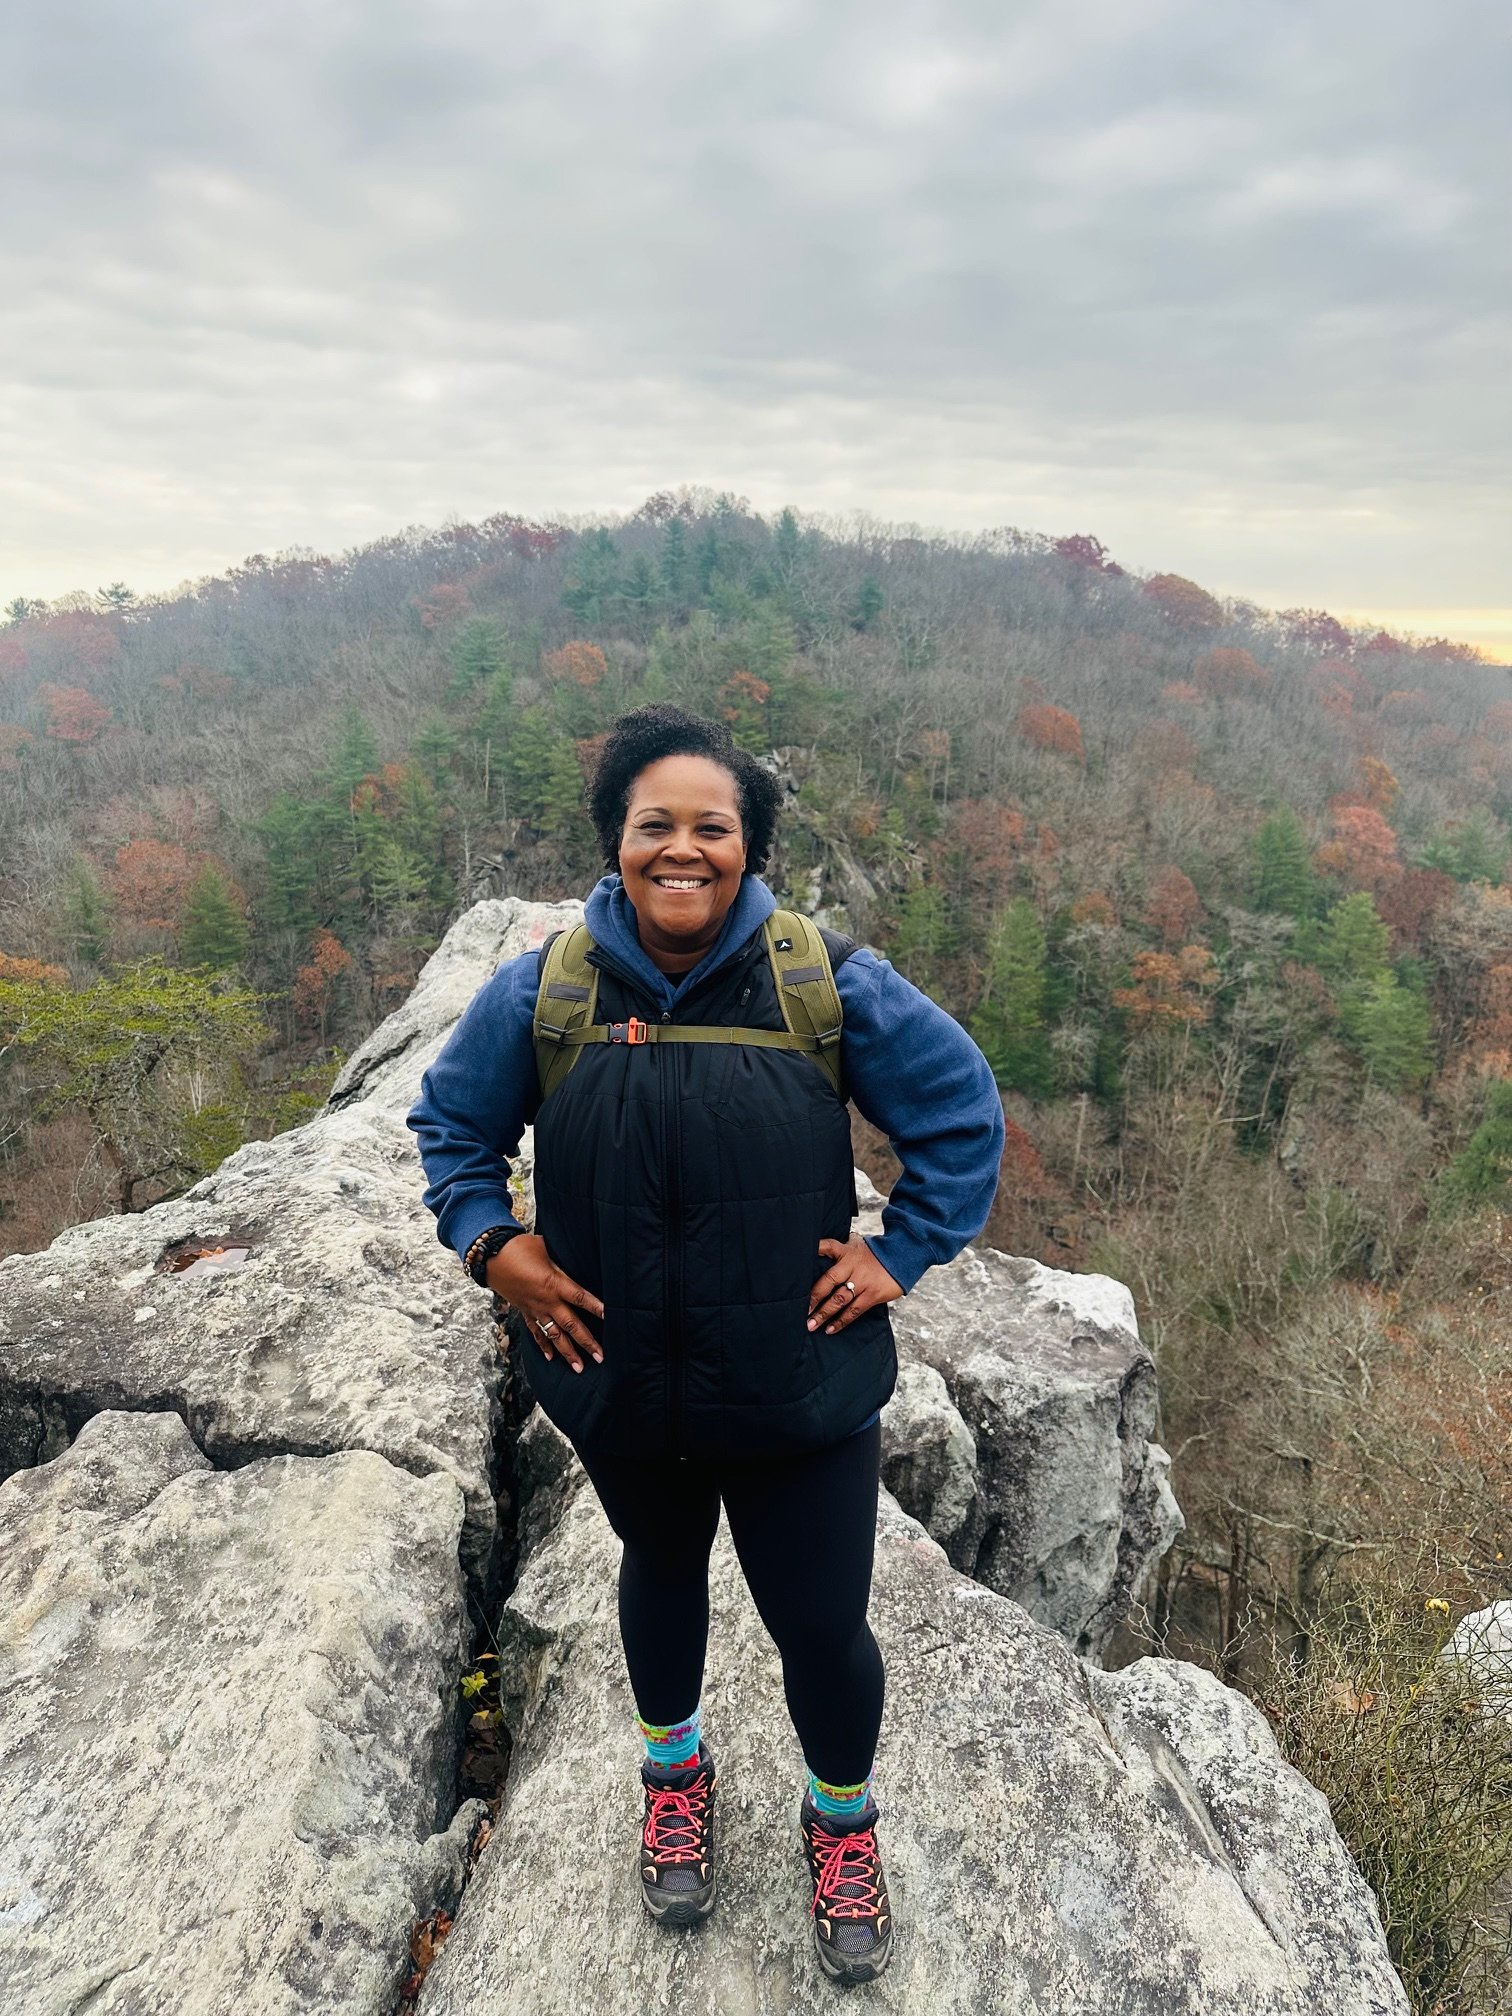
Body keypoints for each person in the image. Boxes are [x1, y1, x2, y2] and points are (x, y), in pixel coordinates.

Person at [407, 703, 1003, 1985]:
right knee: (660, 1578)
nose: (683, 850)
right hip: (622, 1390)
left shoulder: (821, 981)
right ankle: (673, 1776)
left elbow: (961, 1114)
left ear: (750, 845)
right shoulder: (547, 988)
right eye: (654, 826)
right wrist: (493, 1246)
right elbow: (450, 1129)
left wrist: (899, 1253)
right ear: (616, 843)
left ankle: (841, 1821)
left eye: (712, 827)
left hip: (801, 1393)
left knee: (823, 1631)